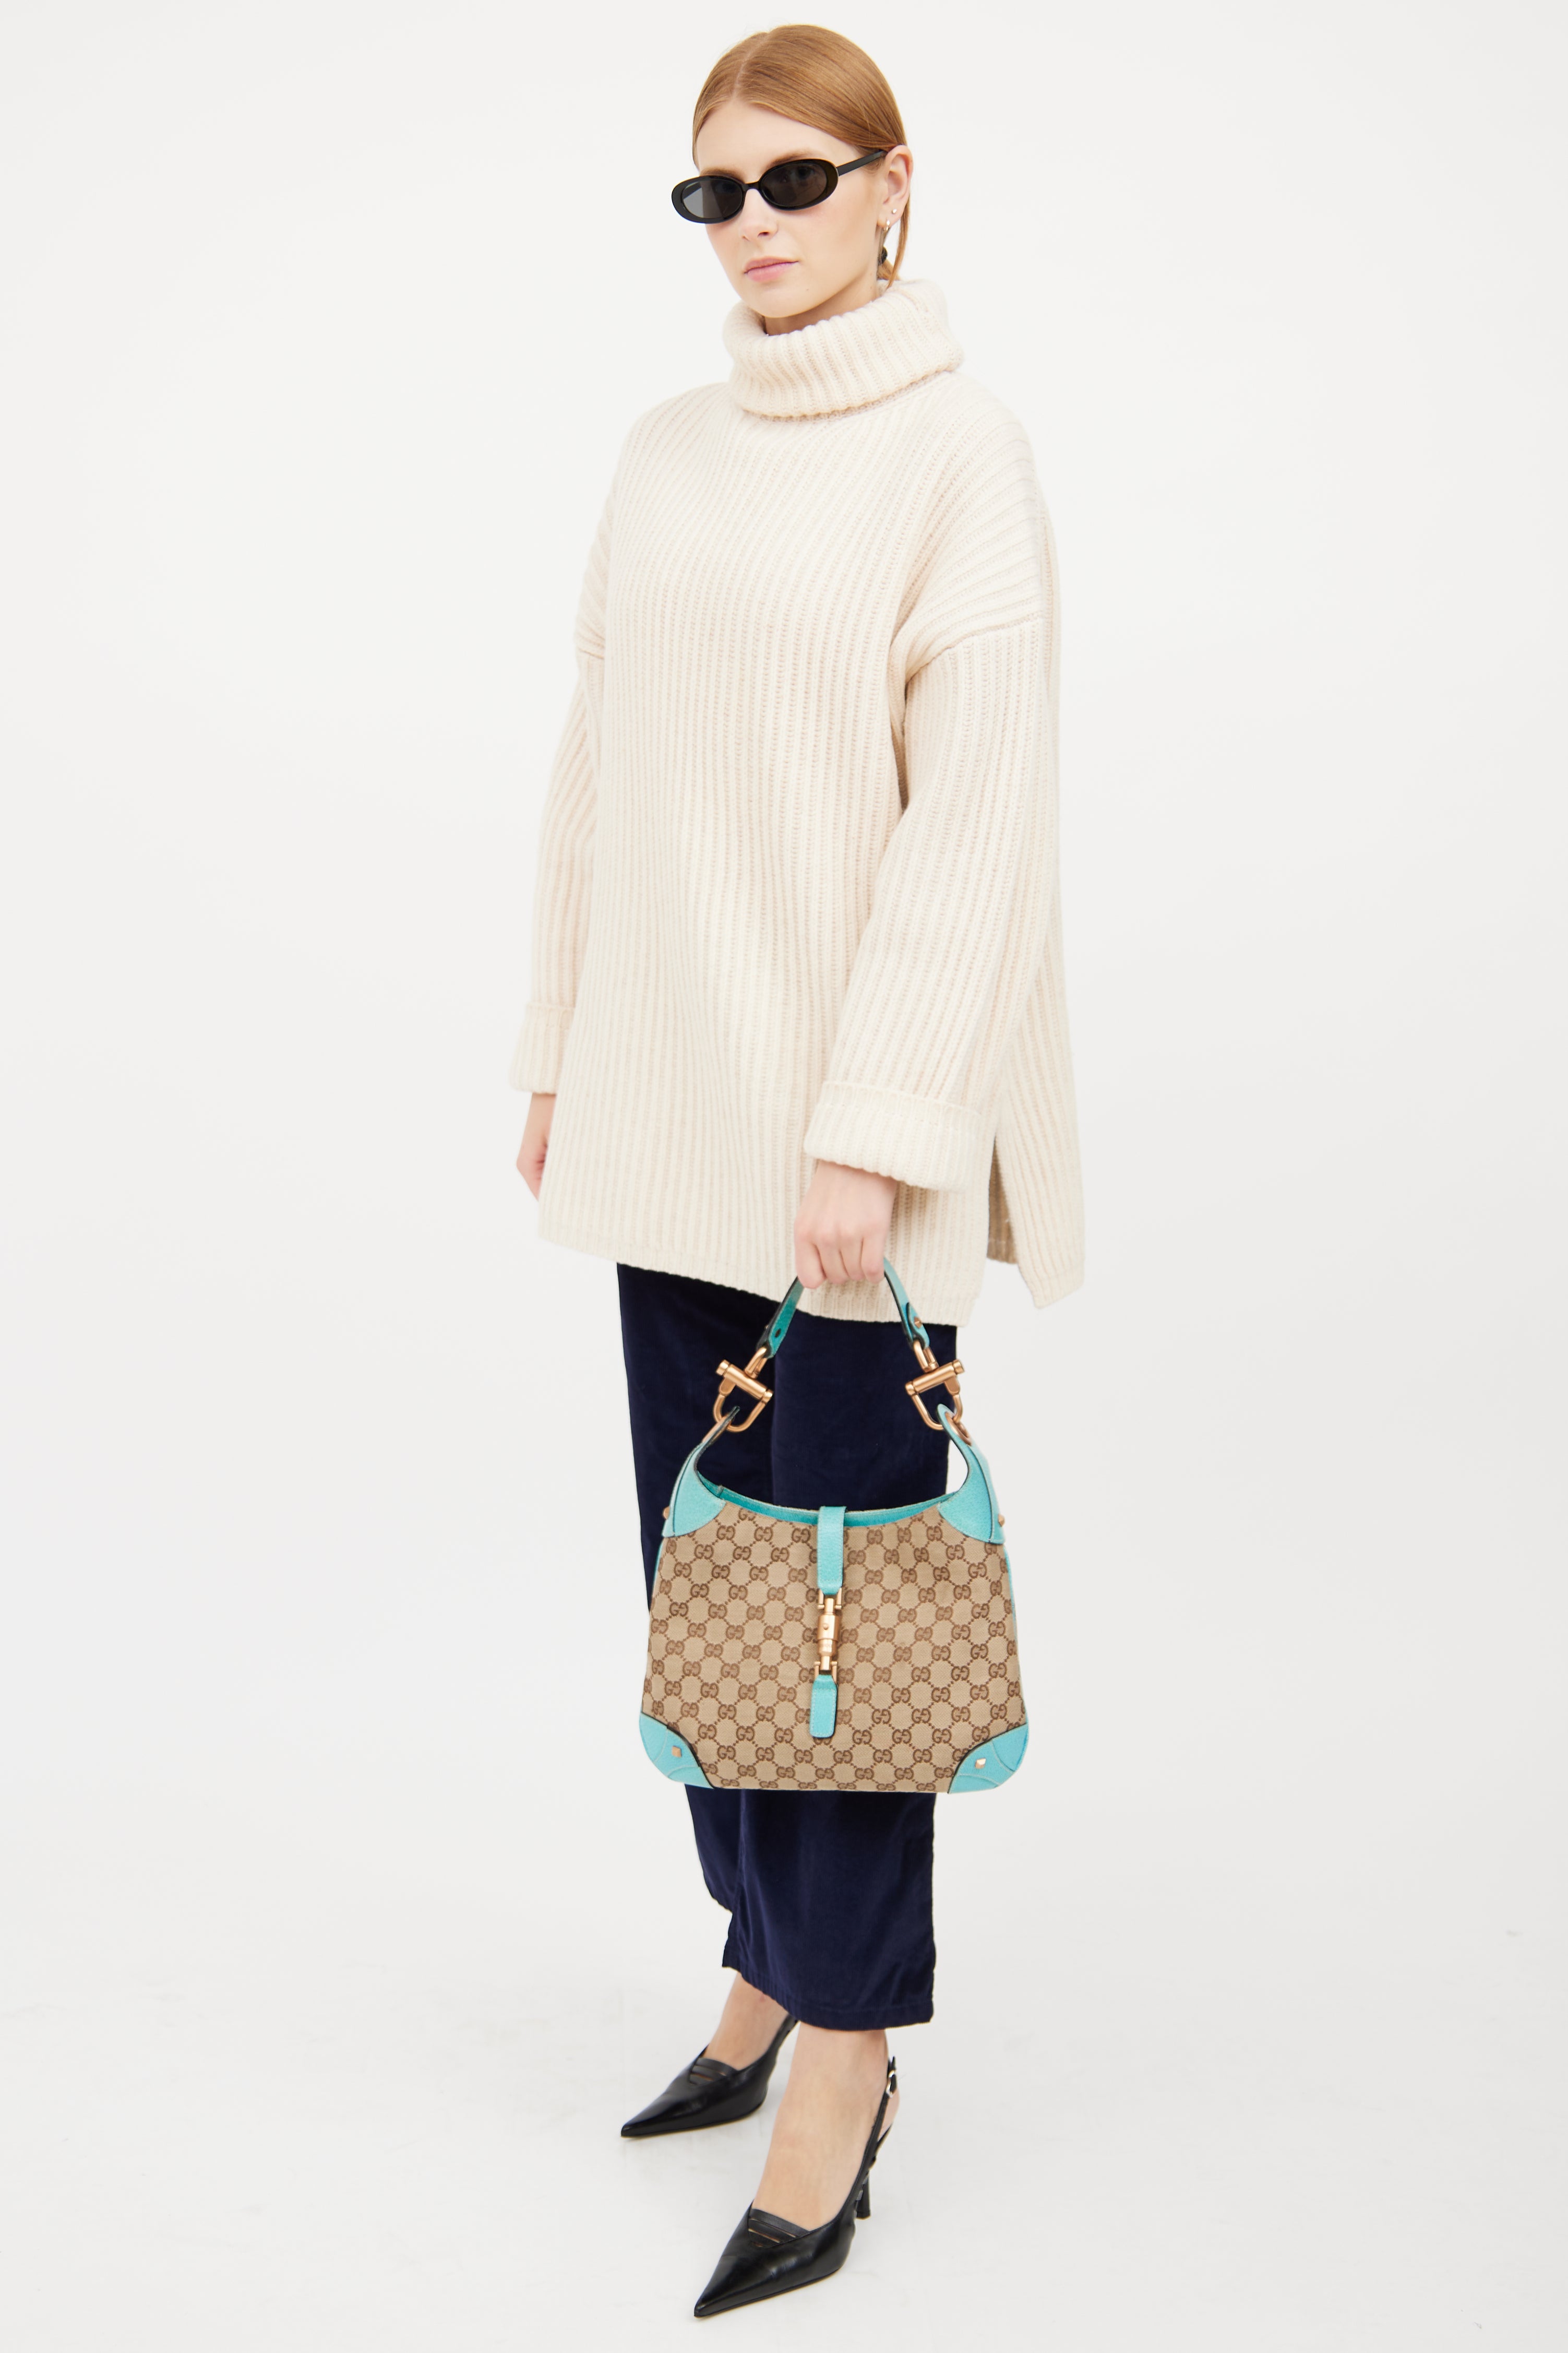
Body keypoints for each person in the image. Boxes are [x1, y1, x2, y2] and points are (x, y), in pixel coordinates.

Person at [511, 22, 1083, 2319]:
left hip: (843, 1157)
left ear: (891, 184)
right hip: (663, 1115)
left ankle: (844, 2053)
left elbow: (979, 822)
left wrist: (875, 1128)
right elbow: (601, 762)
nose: (750, 226)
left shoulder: (958, 458)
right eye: (713, 193)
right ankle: (759, 1956)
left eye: (791, 182)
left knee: (841, 1627)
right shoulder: (663, 456)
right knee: (710, 1582)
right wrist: (555, 1043)